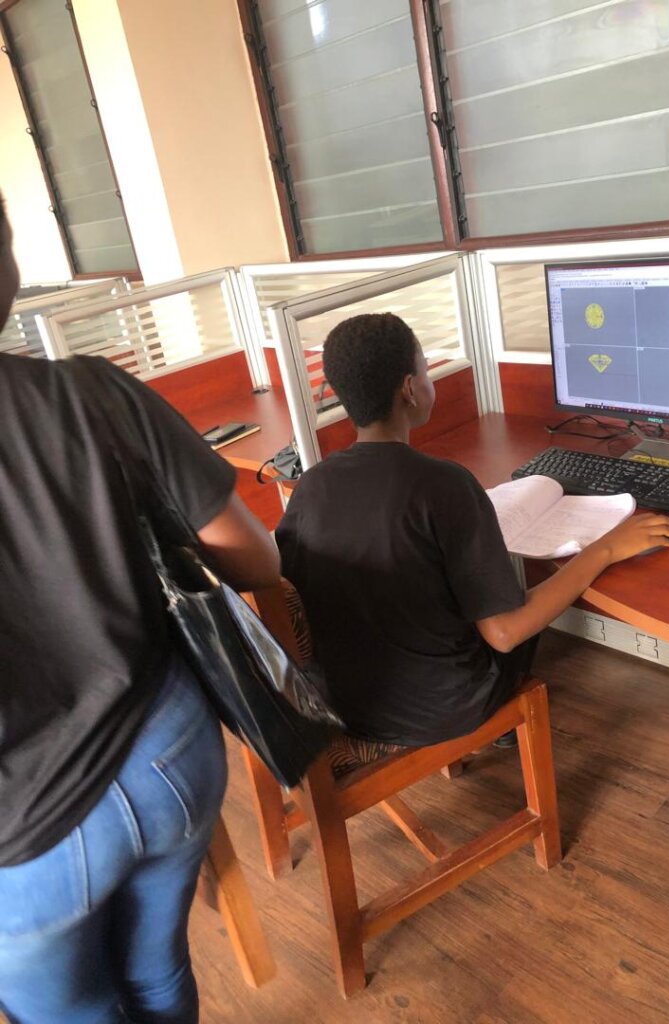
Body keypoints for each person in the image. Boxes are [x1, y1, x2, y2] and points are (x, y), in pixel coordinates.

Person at [0, 197, 280, 1023]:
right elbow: (256, 558)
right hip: (168, 752)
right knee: (157, 971)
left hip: (25, 836)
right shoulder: (91, 391)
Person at [276, 312, 669, 762]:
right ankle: (498, 724)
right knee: (513, 603)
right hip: (438, 710)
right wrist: (605, 548)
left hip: (342, 703)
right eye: (426, 371)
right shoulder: (443, 484)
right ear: (409, 389)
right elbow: (506, 633)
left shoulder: (311, 486)